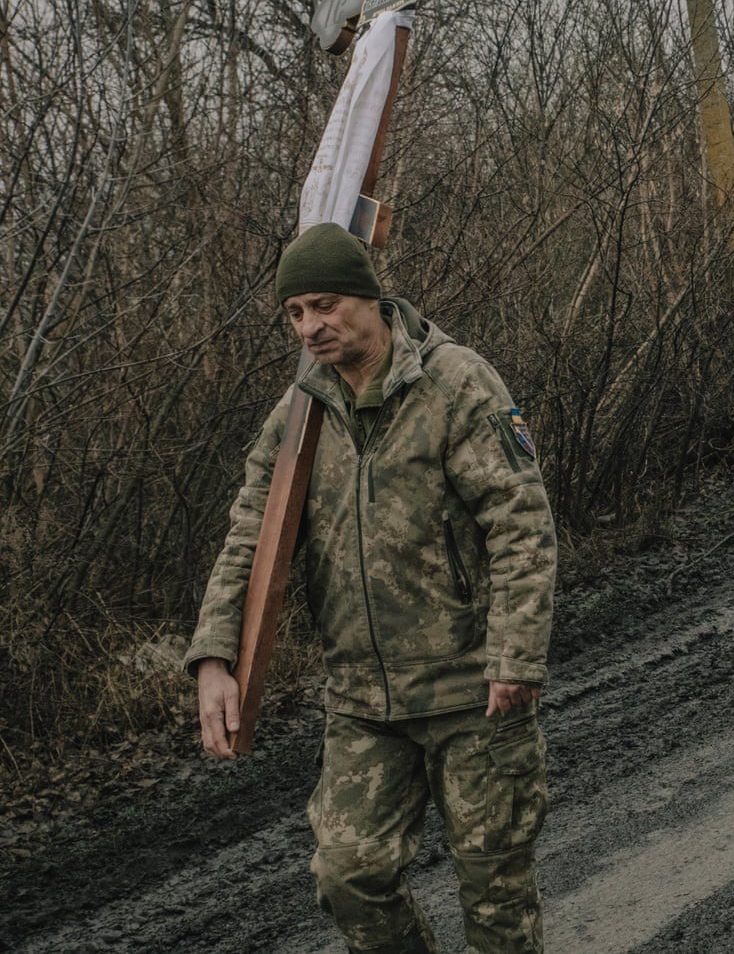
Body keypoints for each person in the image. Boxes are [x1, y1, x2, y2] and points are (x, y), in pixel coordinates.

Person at [186, 222, 556, 954]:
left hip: (471, 691)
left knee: (496, 897)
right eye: (295, 313)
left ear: (370, 299)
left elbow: (521, 521)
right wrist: (213, 656)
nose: (309, 327)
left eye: (324, 305)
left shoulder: (455, 384)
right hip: (362, 702)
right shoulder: (300, 415)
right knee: (348, 875)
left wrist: (516, 654)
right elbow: (250, 538)